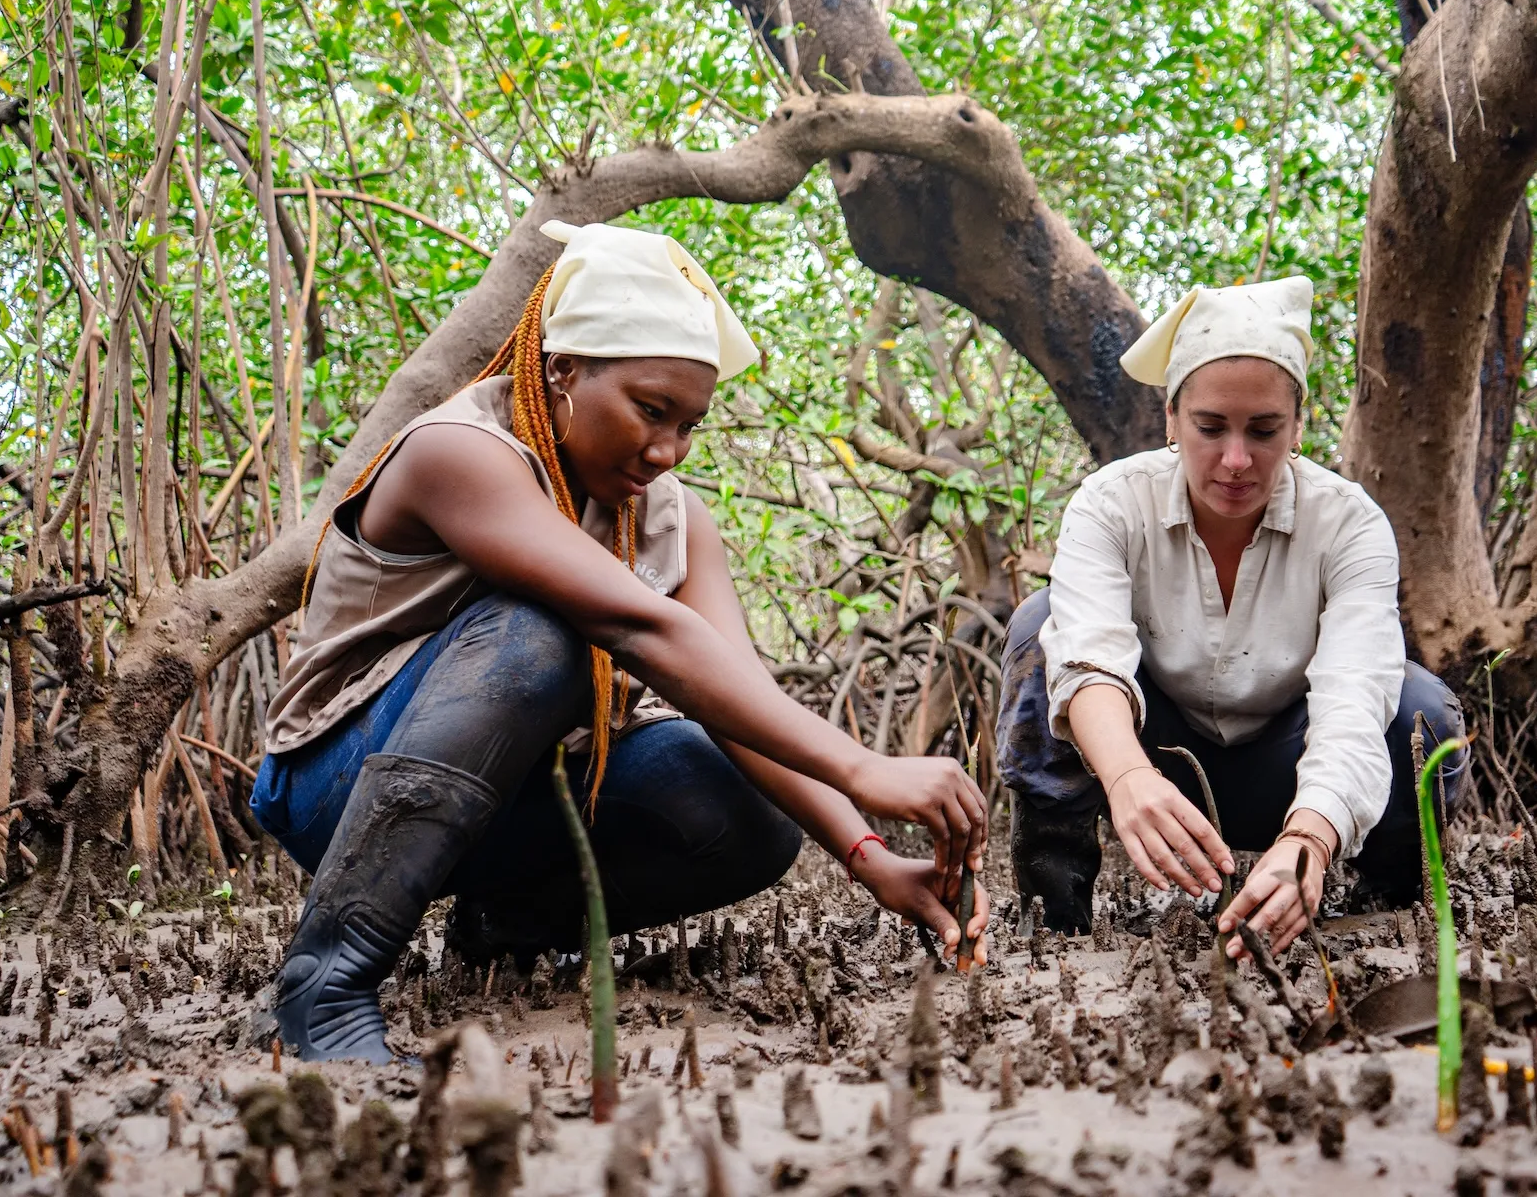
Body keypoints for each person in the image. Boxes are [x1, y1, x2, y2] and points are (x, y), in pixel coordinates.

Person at [253, 220, 988, 1063]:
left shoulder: (673, 517)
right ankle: (326, 984)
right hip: (337, 788)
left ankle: (505, 928)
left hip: (506, 804)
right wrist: (863, 766)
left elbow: (738, 692)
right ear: (563, 370)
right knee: (543, 632)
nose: (667, 450)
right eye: (650, 410)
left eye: (690, 424)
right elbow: (636, 624)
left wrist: (870, 858)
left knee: (753, 814)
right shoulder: (457, 450)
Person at [995, 275, 1467, 958]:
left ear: (1298, 426)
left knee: (1421, 710)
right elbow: (1087, 659)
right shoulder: (1110, 504)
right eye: (1210, 427)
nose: (1237, 460)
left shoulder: (1350, 525)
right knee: (1040, 628)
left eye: (1264, 430)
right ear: (1171, 418)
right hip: (1156, 758)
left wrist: (1309, 839)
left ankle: (1385, 905)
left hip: (1288, 769)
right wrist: (1127, 777)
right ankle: (1055, 914)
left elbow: (1355, 697)